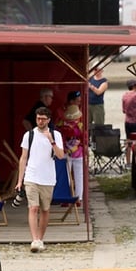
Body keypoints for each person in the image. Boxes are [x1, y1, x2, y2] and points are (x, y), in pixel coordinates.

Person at [16, 106, 65, 253]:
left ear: (48, 120)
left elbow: (61, 156)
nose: (40, 121)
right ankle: (35, 240)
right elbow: (23, 158)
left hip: (48, 178)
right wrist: (20, 180)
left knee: (45, 209)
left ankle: (40, 238)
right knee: (33, 207)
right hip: (31, 176)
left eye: (43, 119)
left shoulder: (56, 135)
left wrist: (52, 141)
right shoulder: (29, 135)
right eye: (38, 118)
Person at [56, 91, 85, 204]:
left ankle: (71, 197)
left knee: (69, 175)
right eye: (77, 101)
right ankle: (75, 198)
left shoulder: (62, 117)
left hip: (69, 150)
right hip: (72, 150)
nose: (79, 102)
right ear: (71, 101)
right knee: (73, 175)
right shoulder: (78, 118)